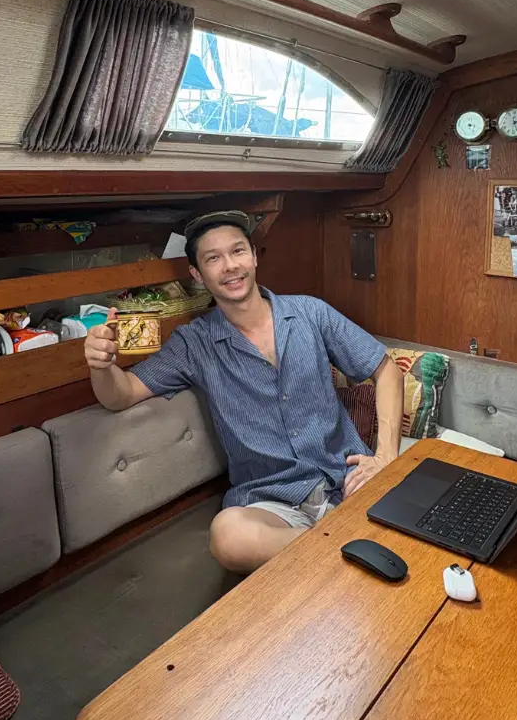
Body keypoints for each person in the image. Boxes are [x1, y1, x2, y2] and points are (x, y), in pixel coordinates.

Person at [83, 209, 404, 574]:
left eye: (237, 251)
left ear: (253, 256)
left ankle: (330, 555)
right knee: (227, 536)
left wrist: (385, 456)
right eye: (213, 259)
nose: (230, 266)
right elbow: (120, 395)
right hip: (273, 505)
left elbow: (386, 370)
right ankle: (342, 550)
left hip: (347, 480)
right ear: (198, 275)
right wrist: (101, 366)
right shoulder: (194, 343)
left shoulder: (311, 313)